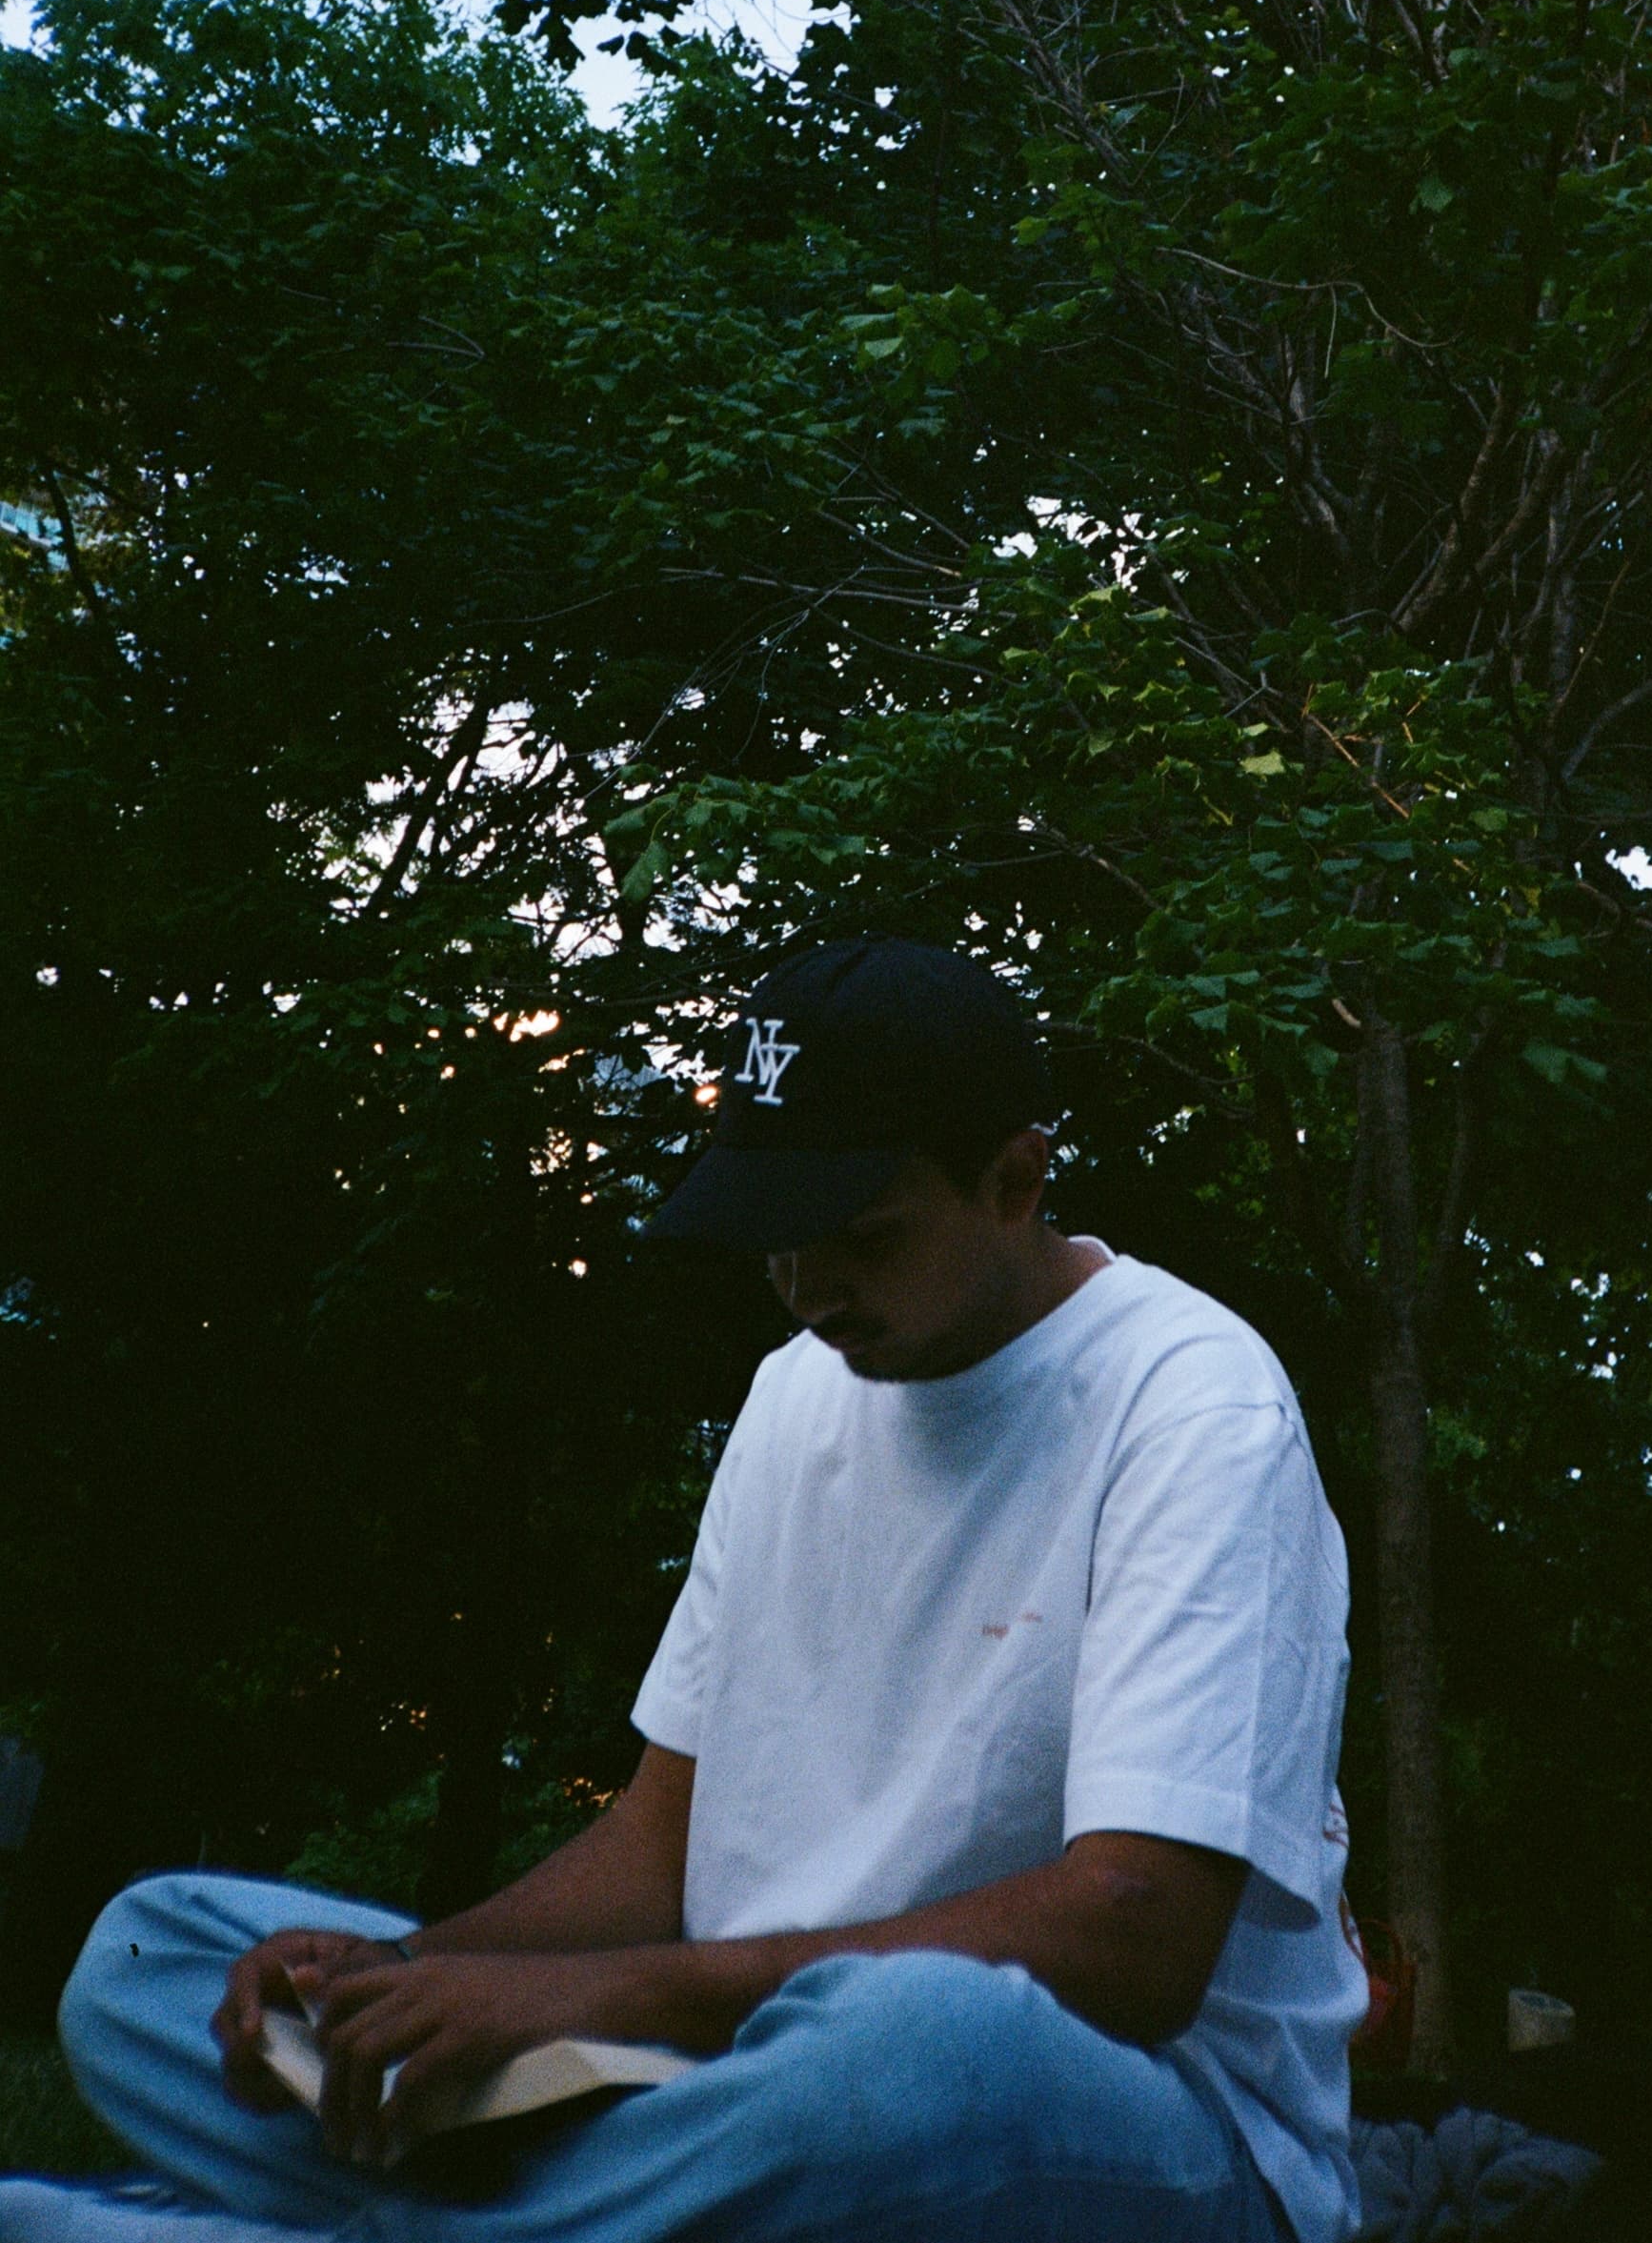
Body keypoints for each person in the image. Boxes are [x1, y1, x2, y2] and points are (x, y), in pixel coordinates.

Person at [7, 937, 1369, 2243]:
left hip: (1128, 2129)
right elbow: (664, 1845)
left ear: (1018, 1179)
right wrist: (410, 1977)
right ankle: (569, 2209)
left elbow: (1134, 1941)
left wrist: (609, 1998)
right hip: (725, 2074)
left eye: (863, 1236)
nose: (804, 1287)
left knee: (931, 2047)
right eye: (775, 1236)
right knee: (153, 1956)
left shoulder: (1193, 1404)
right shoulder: (796, 1395)